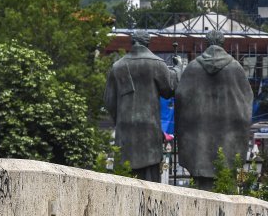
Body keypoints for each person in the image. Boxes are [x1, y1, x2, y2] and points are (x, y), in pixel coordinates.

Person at [175, 30, 254, 191]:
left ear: (206, 43)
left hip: (199, 148)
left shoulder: (193, 68)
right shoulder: (235, 68)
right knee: (227, 191)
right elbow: (246, 103)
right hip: (227, 146)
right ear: (223, 44)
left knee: (198, 194)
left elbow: (180, 100)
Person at [104, 30, 182, 182]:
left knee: (124, 179)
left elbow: (109, 101)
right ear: (148, 43)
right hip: (149, 132)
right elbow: (170, 89)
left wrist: (119, 121)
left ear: (132, 42)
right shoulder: (156, 64)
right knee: (150, 181)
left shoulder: (118, 66)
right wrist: (178, 68)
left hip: (125, 131)